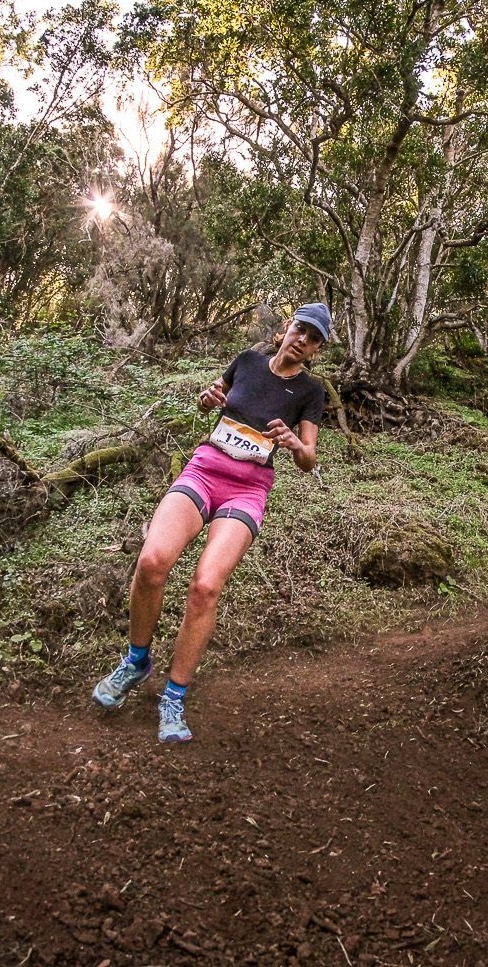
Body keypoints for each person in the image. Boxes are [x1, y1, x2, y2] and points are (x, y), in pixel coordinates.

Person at [91, 303, 331, 742]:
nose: (303, 340)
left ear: (316, 350)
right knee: (152, 563)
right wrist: (207, 398)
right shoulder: (247, 360)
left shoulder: (310, 393)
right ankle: (136, 661)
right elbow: (212, 398)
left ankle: (174, 696)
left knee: (204, 587)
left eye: (314, 338)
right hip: (203, 470)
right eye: (301, 329)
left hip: (248, 488)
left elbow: (308, 458)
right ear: (286, 327)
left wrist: (296, 441)